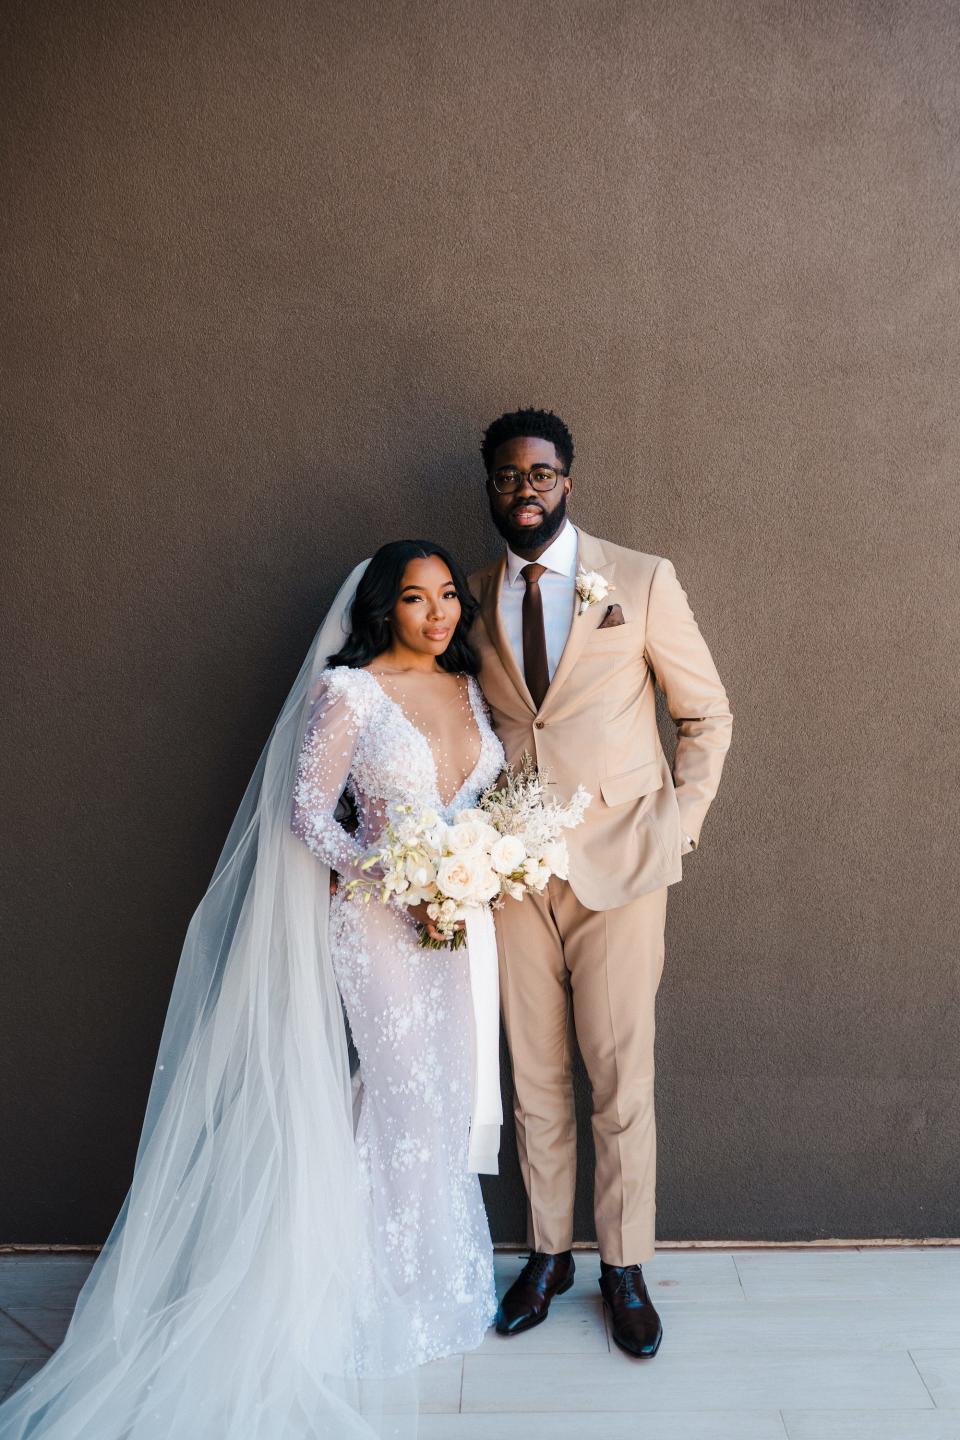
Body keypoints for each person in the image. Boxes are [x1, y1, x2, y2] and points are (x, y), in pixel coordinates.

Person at [0, 539, 503, 1440]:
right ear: (383, 606)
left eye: (450, 597)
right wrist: (396, 879)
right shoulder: (345, 693)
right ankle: (344, 1293)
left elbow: (484, 807)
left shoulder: (468, 687)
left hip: (462, 931)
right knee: (401, 1099)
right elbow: (307, 811)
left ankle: (435, 1288)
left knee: (446, 1099)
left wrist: (479, 870)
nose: (440, 614)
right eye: (418, 599)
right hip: (382, 922)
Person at [468, 407, 733, 1359]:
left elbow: (707, 716)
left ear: (567, 481)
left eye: (539, 474)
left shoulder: (641, 579)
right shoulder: (468, 593)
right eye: (506, 477)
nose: (524, 490)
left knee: (620, 1076)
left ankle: (623, 1263)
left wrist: (680, 827)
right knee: (534, 1076)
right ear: (490, 488)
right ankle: (549, 1254)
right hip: (509, 874)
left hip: (622, 865)